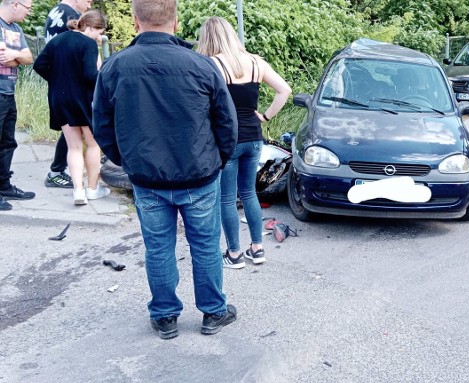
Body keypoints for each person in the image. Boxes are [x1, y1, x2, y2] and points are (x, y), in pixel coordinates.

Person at [92, 0, 239, 339]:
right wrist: (216, 162)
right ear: (175, 23)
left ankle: (165, 316)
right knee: (204, 246)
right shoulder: (201, 65)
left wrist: (127, 160)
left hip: (147, 177)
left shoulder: (115, 66)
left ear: (134, 21)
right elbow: (227, 124)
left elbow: (101, 123)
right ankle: (214, 312)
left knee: (158, 247)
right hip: (199, 174)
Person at [196, 16, 292, 269]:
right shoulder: (255, 62)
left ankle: (235, 253)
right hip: (254, 137)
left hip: (227, 140)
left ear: (208, 38)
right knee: (249, 192)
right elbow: (284, 90)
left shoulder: (211, 64)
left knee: (227, 199)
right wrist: (266, 116)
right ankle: (258, 249)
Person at [34, 10, 110, 205]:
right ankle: (92, 189)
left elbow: (39, 65)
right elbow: (89, 75)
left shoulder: (58, 41)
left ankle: (78, 191)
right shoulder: (89, 43)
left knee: (74, 147)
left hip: (60, 99)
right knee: (93, 144)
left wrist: (58, 80)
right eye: (99, 31)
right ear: (91, 27)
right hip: (83, 100)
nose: (99, 36)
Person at [43, 0, 92, 189]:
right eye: (87, 1)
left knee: (71, 128)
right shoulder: (70, 15)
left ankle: (61, 168)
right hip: (71, 82)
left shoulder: (56, 11)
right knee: (74, 127)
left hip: (59, 79)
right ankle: (56, 171)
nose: (88, 6)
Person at [0, 0, 35, 212]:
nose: (29, 13)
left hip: (9, 92)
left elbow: (28, 58)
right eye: (27, 8)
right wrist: (16, 58)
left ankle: (4, 186)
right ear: (15, 4)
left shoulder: (16, 29)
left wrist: (14, 56)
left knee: (7, 142)